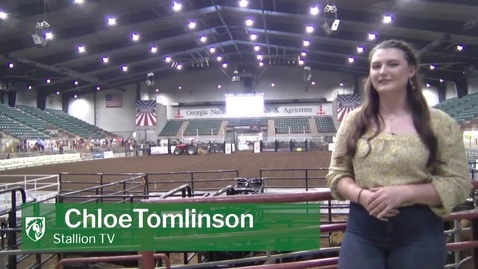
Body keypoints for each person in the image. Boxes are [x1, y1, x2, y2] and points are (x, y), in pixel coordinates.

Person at [326, 39, 472, 269]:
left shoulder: (441, 124)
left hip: (419, 231)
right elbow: (337, 174)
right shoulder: (353, 121)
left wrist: (404, 193)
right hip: (363, 231)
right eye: (376, 66)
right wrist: (362, 195)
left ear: (411, 71)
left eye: (392, 64)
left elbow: (459, 183)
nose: (382, 71)